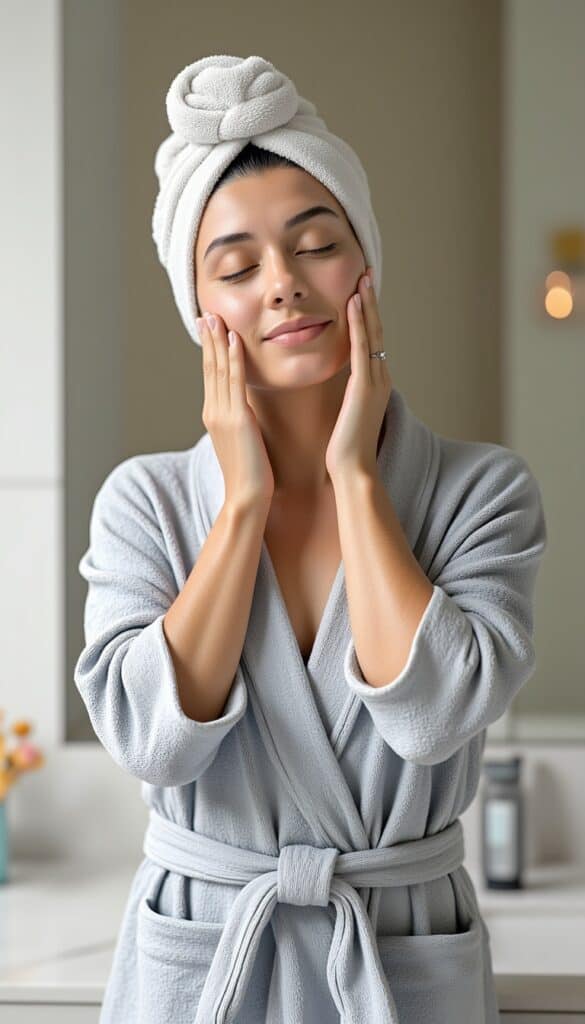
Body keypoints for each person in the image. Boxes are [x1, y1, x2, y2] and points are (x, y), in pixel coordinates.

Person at [74, 55, 547, 1024]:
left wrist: (356, 478)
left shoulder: (480, 491)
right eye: (238, 266)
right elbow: (156, 743)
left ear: (365, 263)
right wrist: (241, 502)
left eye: (317, 243)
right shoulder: (147, 502)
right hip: (205, 948)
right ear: (203, 311)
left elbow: (430, 717)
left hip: (396, 943)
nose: (284, 286)